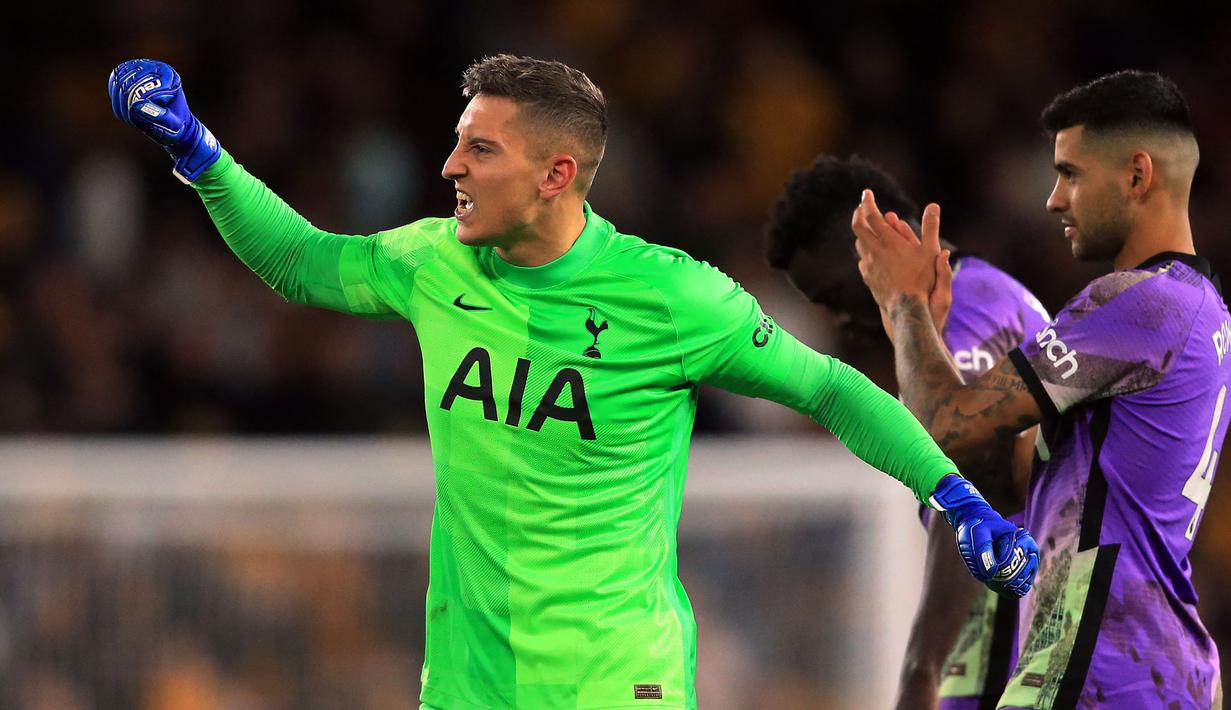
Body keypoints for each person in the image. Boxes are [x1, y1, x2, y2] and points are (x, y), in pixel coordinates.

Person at [108, 55, 1037, 710]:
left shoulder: (669, 295)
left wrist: (955, 499)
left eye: (480, 151)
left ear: (556, 173)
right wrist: (198, 151)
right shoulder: (435, 261)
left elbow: (831, 389)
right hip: (467, 680)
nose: (450, 168)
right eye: (457, 144)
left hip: (611, 682)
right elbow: (304, 263)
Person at [852, 69, 1226, 709]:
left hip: (1101, 667)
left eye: (1071, 174)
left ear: (1137, 175)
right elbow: (1007, 477)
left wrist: (905, 304)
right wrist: (930, 335)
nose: (1054, 198)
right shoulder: (1199, 310)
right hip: (1146, 668)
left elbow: (942, 428)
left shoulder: (1141, 305)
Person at [765, 155, 1050, 710]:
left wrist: (922, 665)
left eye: (835, 294)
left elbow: (970, 482)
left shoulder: (966, 318)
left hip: (1011, 628)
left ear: (882, 243)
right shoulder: (978, 298)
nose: (842, 320)